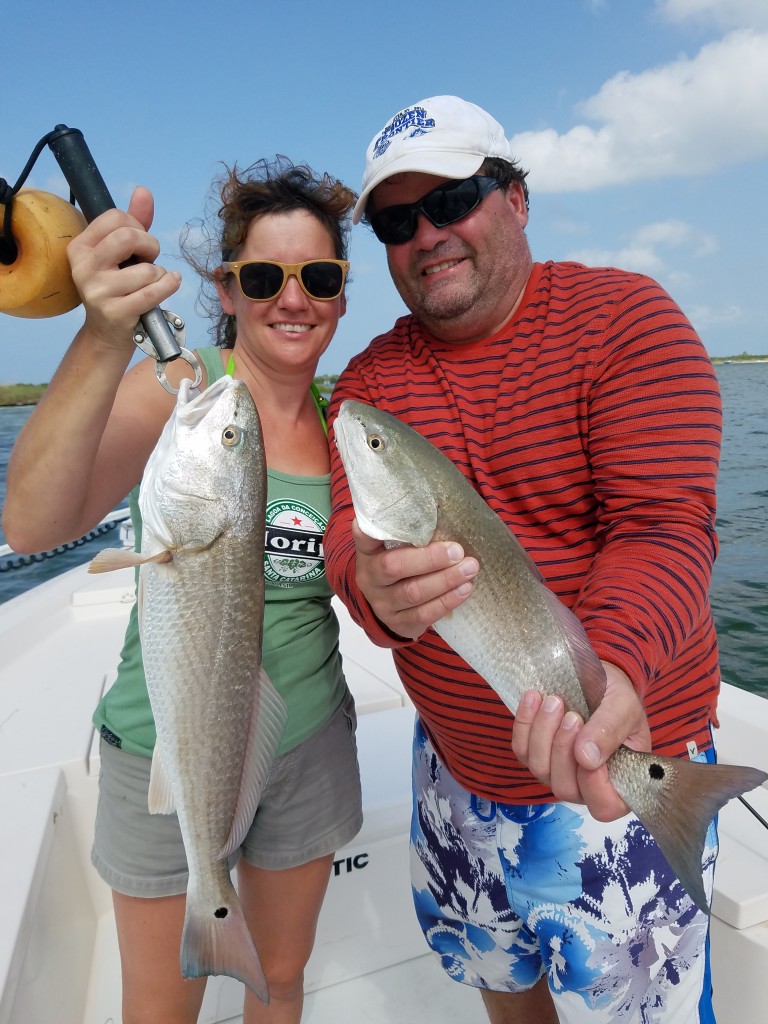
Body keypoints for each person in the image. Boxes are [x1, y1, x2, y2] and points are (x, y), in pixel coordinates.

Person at [324, 95, 724, 1023]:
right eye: (396, 220)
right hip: (453, 771)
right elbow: (350, 532)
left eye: (454, 197)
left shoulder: (627, 320)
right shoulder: (371, 384)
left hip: (621, 759)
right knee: (503, 991)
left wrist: (613, 677)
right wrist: (370, 586)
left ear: (516, 198)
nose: (427, 234)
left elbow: (663, 526)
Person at [2, 157, 363, 1024]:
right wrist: (101, 334)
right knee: (161, 1008)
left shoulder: (344, 420)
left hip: (305, 735)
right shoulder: (184, 392)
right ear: (226, 289)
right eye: (264, 277)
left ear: (342, 294)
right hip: (167, 736)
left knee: (279, 977)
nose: (292, 298)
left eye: (318, 277)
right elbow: (33, 527)